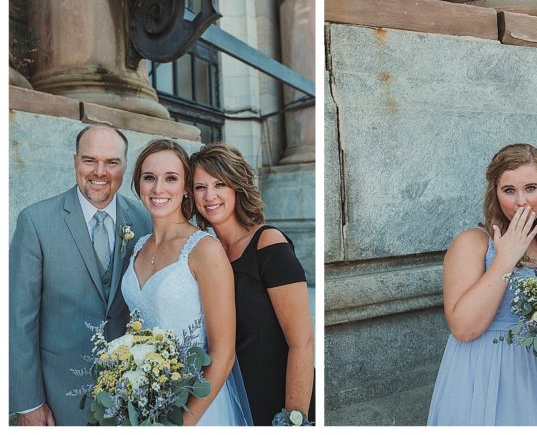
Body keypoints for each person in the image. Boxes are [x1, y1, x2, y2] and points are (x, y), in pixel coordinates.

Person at [427, 143, 537, 425]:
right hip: (484, 376)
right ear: (495, 193)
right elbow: (463, 328)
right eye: (509, 190)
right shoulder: (472, 243)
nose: (521, 201)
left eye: (530, 188)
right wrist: (505, 258)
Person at [9, 125, 152, 425]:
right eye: (89, 160)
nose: (100, 171)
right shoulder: (36, 222)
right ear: (75, 161)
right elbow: (18, 320)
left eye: (111, 162)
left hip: (129, 399)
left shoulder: (144, 221)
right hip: (59, 398)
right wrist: (28, 403)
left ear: (125, 166)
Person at [121, 139, 252, 425]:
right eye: (149, 178)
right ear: (138, 184)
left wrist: (181, 424)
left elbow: (223, 354)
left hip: (197, 406)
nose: (158, 188)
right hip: (145, 402)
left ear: (185, 188)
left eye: (171, 178)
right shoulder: (138, 246)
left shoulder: (205, 250)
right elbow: (135, 326)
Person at [191, 143, 315, 425]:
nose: (209, 196)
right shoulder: (206, 254)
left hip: (278, 401)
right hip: (229, 403)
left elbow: (302, 342)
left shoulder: (268, 244)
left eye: (219, 184)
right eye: (200, 187)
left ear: (238, 187)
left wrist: (293, 419)